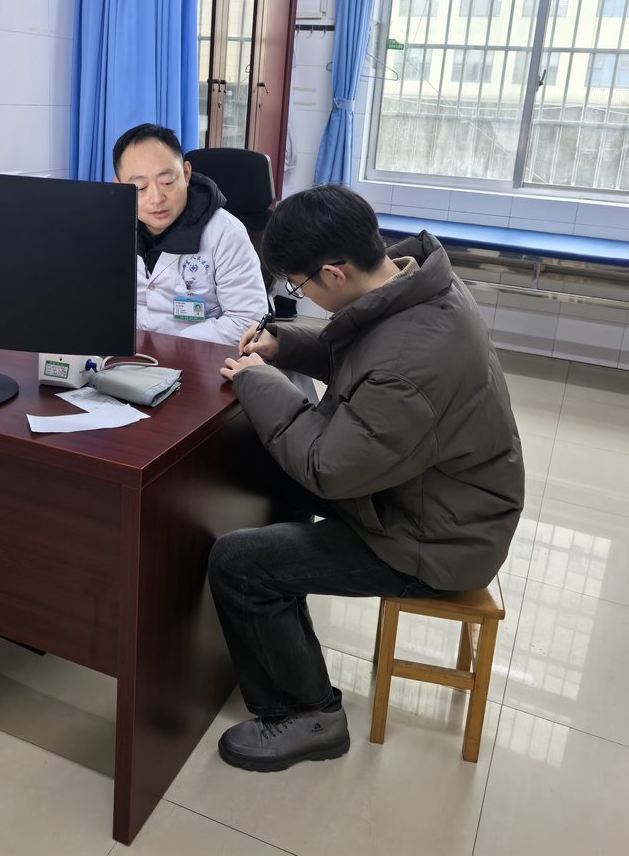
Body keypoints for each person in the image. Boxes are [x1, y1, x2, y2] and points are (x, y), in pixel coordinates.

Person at [210, 184, 524, 772]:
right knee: (268, 467)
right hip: (427, 497)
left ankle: (311, 715)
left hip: (438, 541)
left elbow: (328, 468)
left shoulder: (413, 360)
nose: (301, 296)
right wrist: (282, 344)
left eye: (298, 287)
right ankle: (278, 615)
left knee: (239, 562)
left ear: (333, 272)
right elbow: (356, 354)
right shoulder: (411, 286)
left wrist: (258, 380)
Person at [113, 124, 269, 345]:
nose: (156, 199)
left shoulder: (225, 233)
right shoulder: (109, 228)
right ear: (120, 187)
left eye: (167, 182)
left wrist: (176, 346)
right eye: (140, 187)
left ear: (186, 174)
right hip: (126, 354)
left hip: (200, 357)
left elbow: (247, 321)